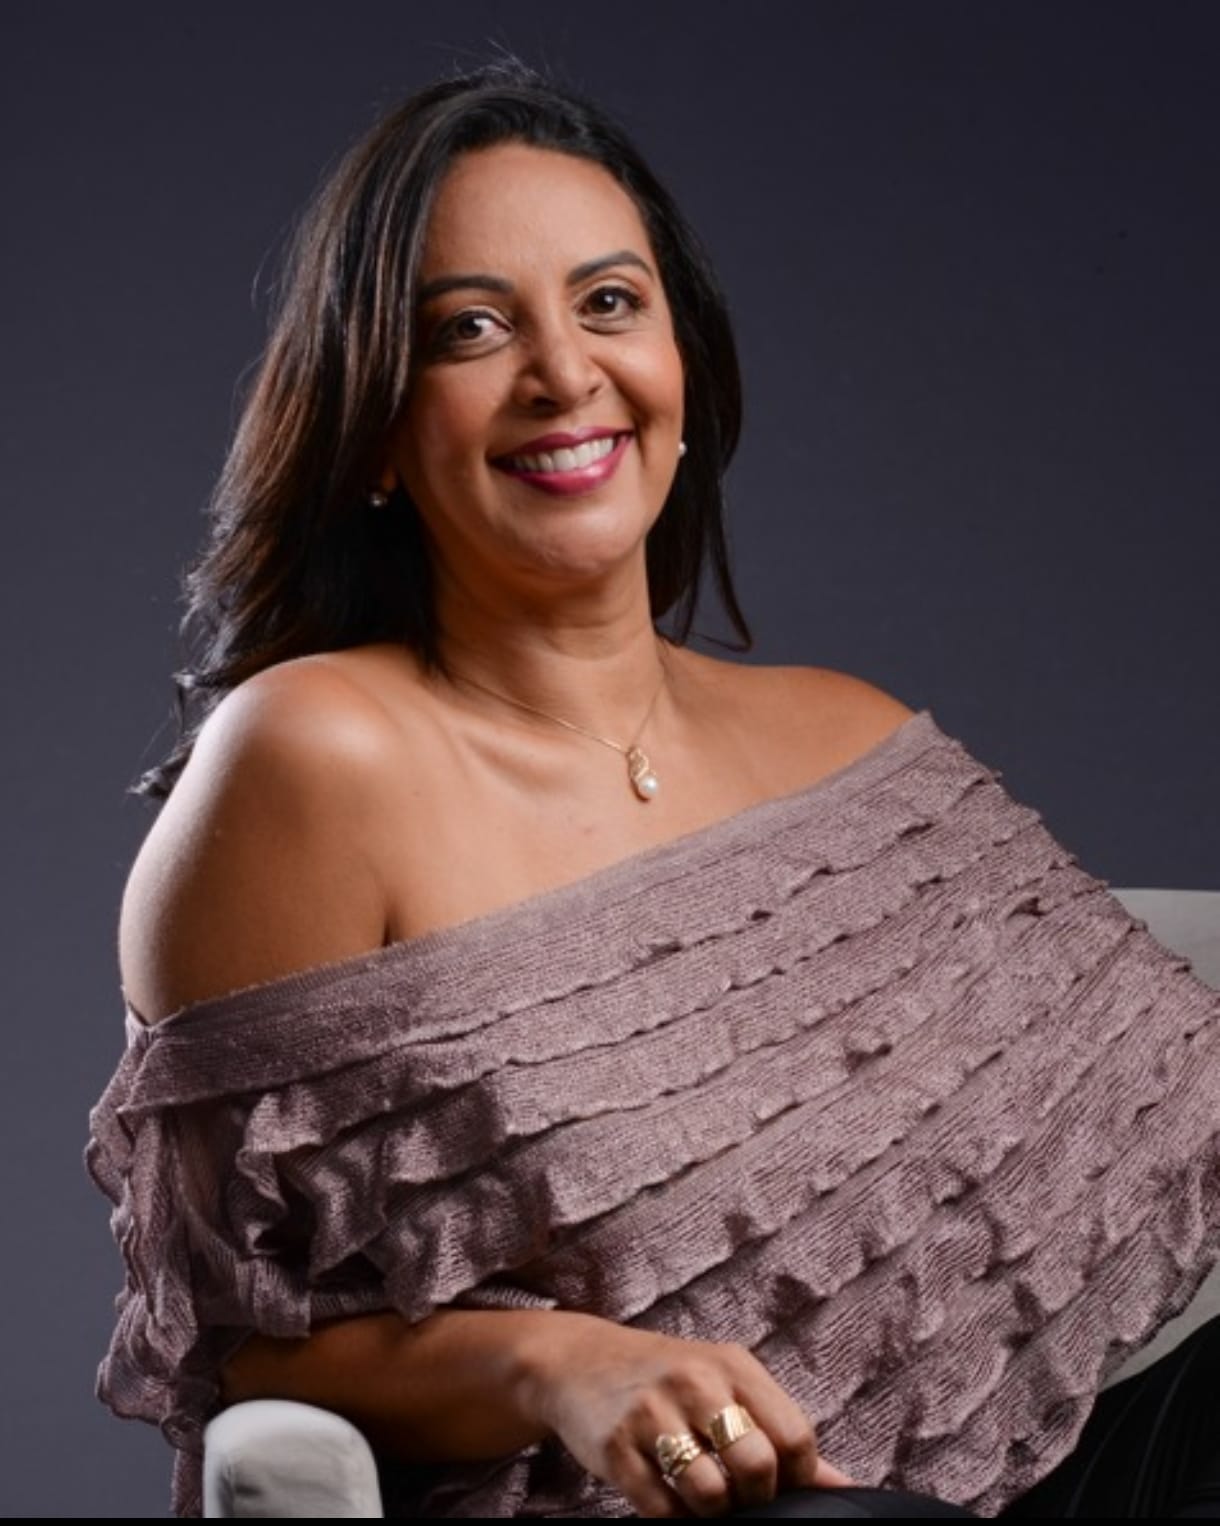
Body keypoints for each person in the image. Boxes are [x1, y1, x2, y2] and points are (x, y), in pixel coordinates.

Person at [86, 62, 1220, 1520]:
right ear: (373, 430)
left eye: (610, 303)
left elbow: (1175, 1098)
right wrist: (554, 1360)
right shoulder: (312, 756)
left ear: (685, 380)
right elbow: (232, 1334)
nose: (565, 374)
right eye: (471, 328)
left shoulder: (855, 738)